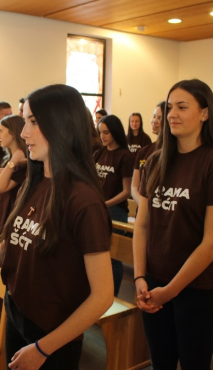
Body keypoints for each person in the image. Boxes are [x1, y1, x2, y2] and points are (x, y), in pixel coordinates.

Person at [0, 84, 114, 370]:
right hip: (18, 313)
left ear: (61, 124)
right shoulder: (35, 182)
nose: (24, 132)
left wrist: (44, 348)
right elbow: (15, 248)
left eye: (33, 122)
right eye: (25, 120)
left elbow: (103, 295)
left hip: (52, 336)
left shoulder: (83, 201)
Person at [133, 79, 213, 369]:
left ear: (205, 113)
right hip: (154, 283)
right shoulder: (155, 161)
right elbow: (142, 226)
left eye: (182, 107)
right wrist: (140, 277)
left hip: (198, 289)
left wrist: (170, 290)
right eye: (169, 108)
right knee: (161, 363)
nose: (172, 115)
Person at [94, 114, 134, 296]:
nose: (102, 136)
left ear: (115, 132)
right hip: (98, 209)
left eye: (106, 133)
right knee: (96, 254)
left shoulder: (124, 156)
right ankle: (98, 294)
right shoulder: (99, 153)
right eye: (100, 132)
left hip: (115, 211)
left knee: (113, 257)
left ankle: (112, 296)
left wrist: (106, 203)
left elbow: (127, 191)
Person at [0, 115, 27, 237]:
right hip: (1, 216)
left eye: (1, 131)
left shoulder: (23, 163)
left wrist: (14, 160)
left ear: (12, 132)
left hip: (13, 220)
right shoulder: (8, 160)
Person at [131, 102, 165, 205]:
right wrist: (144, 206)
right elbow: (134, 187)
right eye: (154, 116)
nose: (154, 121)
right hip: (143, 210)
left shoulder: (174, 152)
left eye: (160, 118)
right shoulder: (144, 151)